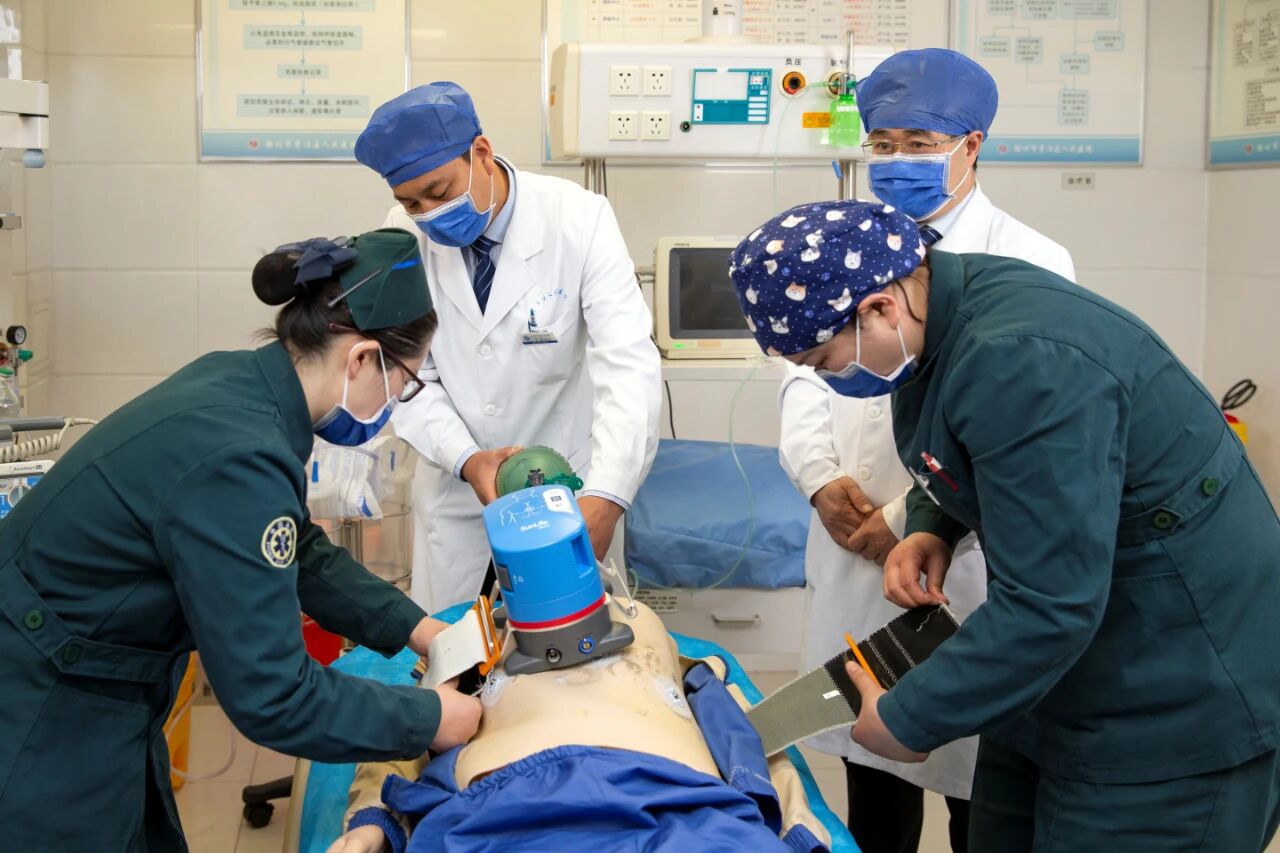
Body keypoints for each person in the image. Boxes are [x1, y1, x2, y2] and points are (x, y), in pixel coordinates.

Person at [733, 200, 1280, 851]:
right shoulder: (938, 315)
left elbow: (1052, 602)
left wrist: (907, 717)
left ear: (879, 308)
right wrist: (933, 523)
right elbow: (982, 451)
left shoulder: (1023, 360)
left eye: (824, 361)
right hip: (1064, 672)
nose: (828, 378)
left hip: (1178, 688)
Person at [0, 229, 483, 852]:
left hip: (85, 674)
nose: (397, 402)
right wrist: (430, 719)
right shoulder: (240, 455)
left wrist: (419, 629)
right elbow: (274, 694)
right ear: (362, 359)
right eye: (405, 384)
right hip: (42, 701)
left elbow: (298, 552)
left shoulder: (240, 385)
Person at [775, 49, 1075, 853]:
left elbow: (1016, 434)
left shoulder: (1033, 261)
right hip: (850, 548)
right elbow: (801, 371)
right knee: (872, 786)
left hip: (962, 563)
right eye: (882, 144)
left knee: (980, 790)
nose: (896, 160)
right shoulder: (841, 244)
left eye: (918, 144)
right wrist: (820, 477)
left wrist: (913, 519)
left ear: (972, 146)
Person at [354, 82, 662, 612]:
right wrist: (468, 459)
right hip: (457, 497)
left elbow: (627, 364)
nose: (428, 214)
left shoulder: (578, 218)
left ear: (481, 152)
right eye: (411, 202)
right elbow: (407, 376)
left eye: (439, 191)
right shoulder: (402, 235)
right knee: (457, 648)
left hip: (569, 489)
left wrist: (607, 495)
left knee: (569, 647)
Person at [324, 600, 831, 853]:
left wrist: (373, 822)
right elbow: (408, 726)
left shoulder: (646, 627)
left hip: (678, 800)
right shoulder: (486, 639)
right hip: (504, 806)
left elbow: (738, 730)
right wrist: (373, 823)